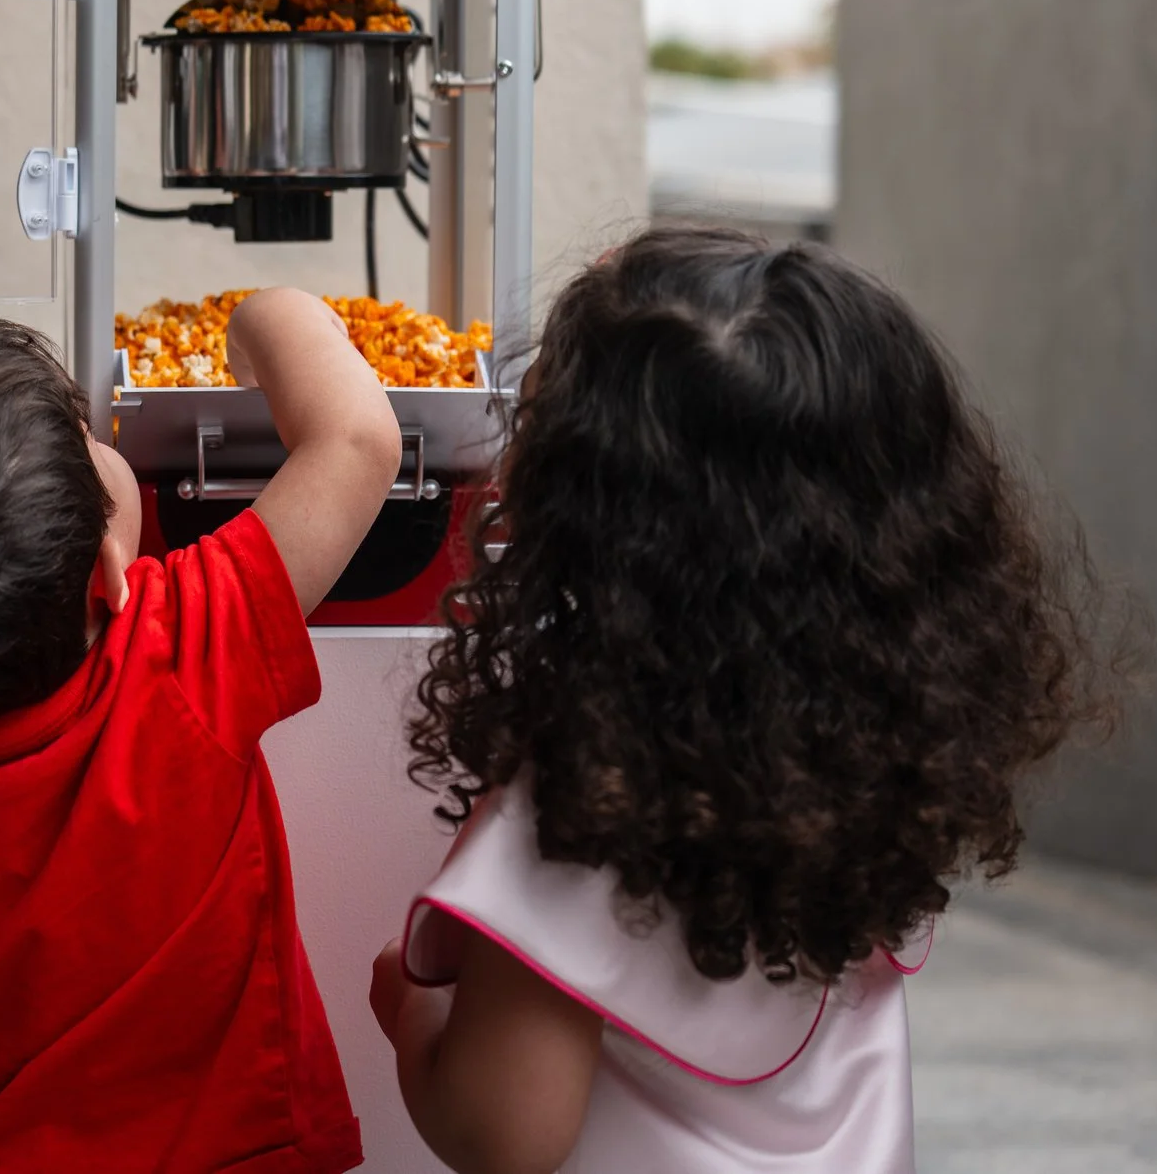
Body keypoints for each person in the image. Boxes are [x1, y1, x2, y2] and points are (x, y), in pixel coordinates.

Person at [371, 227, 1118, 1174]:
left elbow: (504, 1132)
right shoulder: (868, 750)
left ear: (586, 526)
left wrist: (410, 1013)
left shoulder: (577, 810)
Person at [0, 291, 402, 1173]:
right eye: (91, 436)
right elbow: (359, 440)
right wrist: (265, 313)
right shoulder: (178, 652)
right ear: (110, 566)